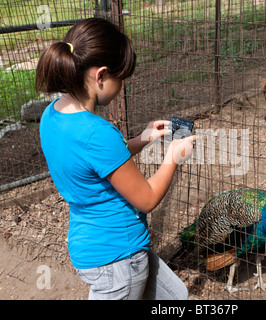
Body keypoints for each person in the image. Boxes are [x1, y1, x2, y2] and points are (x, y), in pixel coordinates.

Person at [36, 18, 195, 300]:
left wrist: (142, 139)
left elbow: (95, 164)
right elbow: (146, 198)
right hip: (117, 260)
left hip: (91, 243)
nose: (121, 86)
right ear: (101, 76)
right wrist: (173, 156)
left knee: (175, 296)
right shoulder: (97, 133)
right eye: (120, 79)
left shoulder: (52, 115)